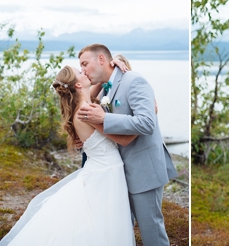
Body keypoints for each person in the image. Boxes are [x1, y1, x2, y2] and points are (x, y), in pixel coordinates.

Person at [0, 66, 136, 245]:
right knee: (105, 224)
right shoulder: (86, 111)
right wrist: (147, 119)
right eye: (80, 72)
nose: (84, 71)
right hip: (105, 173)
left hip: (103, 170)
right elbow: (123, 140)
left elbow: (97, 85)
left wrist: (114, 61)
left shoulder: (83, 105)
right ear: (78, 85)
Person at [76, 43, 177, 246]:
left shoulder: (134, 80)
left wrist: (104, 119)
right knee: (122, 230)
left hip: (143, 170)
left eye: (85, 64)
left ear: (102, 59)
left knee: (152, 232)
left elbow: (147, 123)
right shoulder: (105, 87)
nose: (83, 70)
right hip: (116, 173)